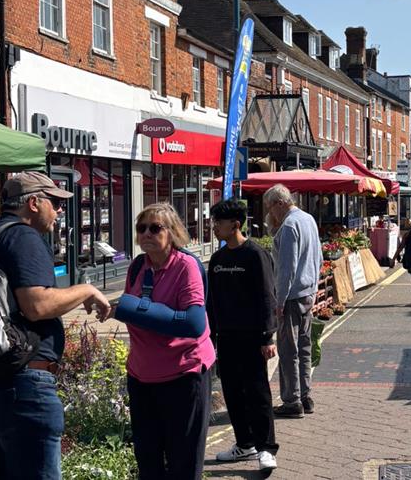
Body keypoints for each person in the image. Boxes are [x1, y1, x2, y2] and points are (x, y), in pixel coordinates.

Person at [0, 171, 112, 480]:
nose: (59, 211)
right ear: (33, 203)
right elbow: (37, 306)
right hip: (23, 383)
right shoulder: (24, 237)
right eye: (54, 202)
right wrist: (87, 290)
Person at [114, 203, 216, 479]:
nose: (146, 233)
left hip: (183, 375)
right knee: (148, 462)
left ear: (172, 232)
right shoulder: (137, 266)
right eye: (141, 228)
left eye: (155, 228)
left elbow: (194, 323)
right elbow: (133, 313)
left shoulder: (186, 266)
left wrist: (133, 310)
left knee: (183, 462)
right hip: (142, 376)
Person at [208, 200, 279, 472]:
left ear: (235, 224)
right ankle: (244, 444)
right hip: (226, 338)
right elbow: (211, 303)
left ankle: (266, 448)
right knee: (232, 393)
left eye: (219, 222)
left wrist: (267, 337)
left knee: (257, 393)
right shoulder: (217, 259)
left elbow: (266, 297)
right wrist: (210, 337)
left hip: (252, 338)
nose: (214, 227)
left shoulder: (255, 255)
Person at [264, 184, 322, 419]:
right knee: (305, 348)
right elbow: (318, 257)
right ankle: (306, 396)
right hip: (307, 294)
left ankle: (292, 401)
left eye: (270, 208)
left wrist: (279, 301)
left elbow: (286, 268)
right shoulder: (308, 219)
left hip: (291, 298)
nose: (270, 214)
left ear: (280, 203)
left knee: (288, 351)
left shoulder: (288, 226)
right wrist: (315, 288)